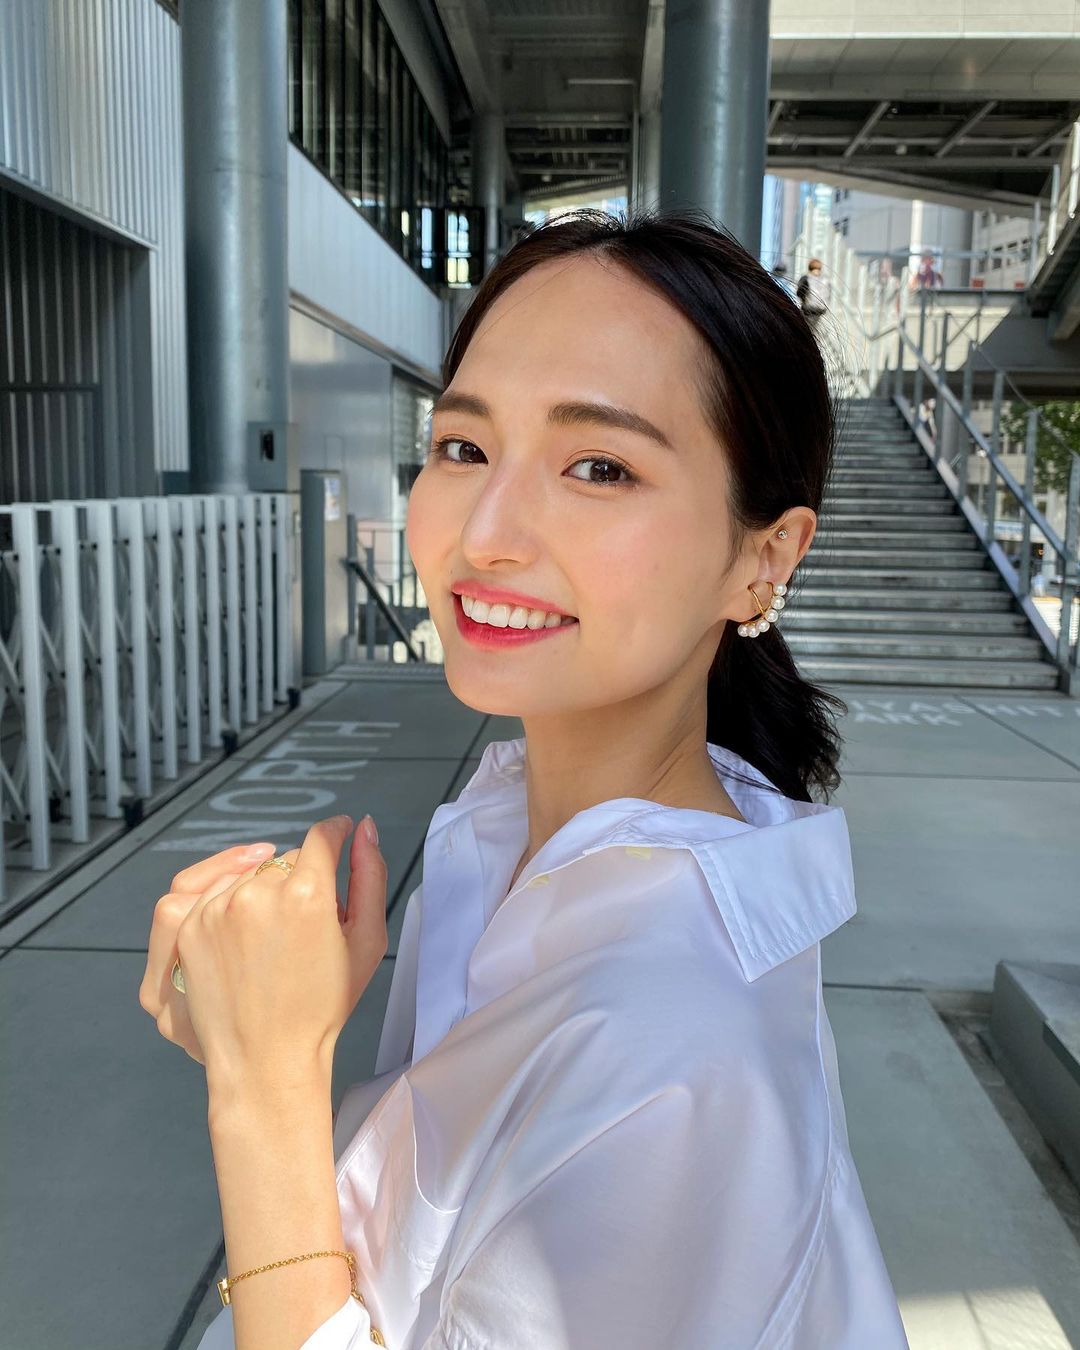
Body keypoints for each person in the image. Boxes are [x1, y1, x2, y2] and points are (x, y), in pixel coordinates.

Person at [148, 208, 910, 1349]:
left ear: (762, 559)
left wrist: (262, 1087)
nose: (486, 534)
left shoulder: (668, 1047)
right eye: (463, 448)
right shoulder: (516, 838)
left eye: (599, 467)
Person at [796, 255, 831, 336]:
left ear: (809, 267)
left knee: (807, 329)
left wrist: (804, 301)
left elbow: (799, 293)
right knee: (816, 330)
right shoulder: (826, 280)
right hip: (821, 309)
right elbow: (829, 295)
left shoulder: (806, 278)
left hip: (808, 309)